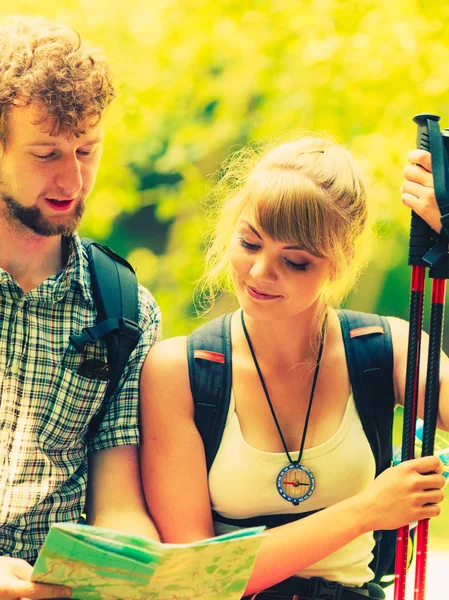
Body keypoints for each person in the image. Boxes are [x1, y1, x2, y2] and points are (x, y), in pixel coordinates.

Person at [139, 135, 447, 599]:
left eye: (295, 261)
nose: (261, 271)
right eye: (249, 243)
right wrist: (367, 511)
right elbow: (193, 577)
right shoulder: (179, 371)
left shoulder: (388, 350)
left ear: (338, 264)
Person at [0, 16, 160, 600]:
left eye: (87, 150)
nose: (73, 178)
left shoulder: (124, 311)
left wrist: (137, 563)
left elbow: (118, 504)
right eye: (46, 154)